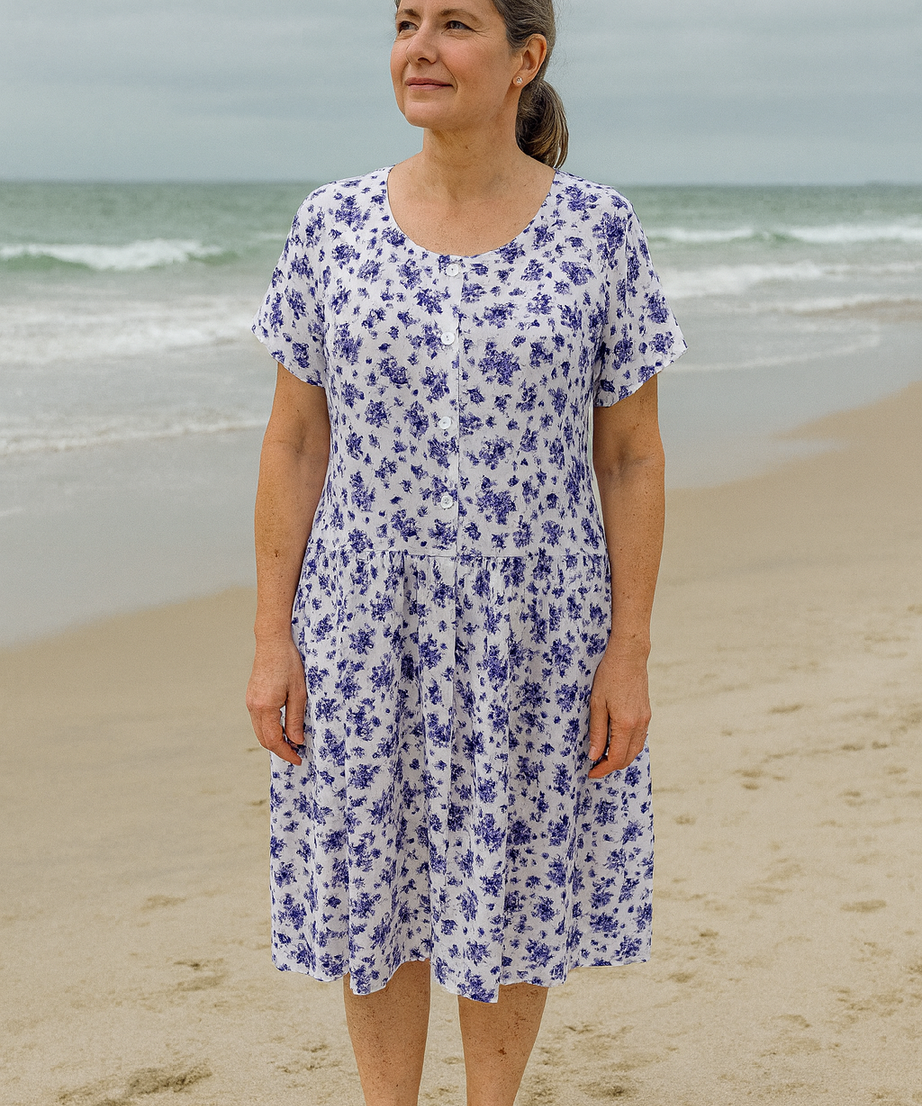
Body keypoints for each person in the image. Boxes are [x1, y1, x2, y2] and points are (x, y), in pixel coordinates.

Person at [246, 1, 686, 1102]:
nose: (420, 47)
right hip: (359, 620)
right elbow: (298, 437)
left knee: (514, 886)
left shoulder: (597, 228)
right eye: (404, 21)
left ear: (524, 58)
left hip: (534, 627)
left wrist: (627, 649)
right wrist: (271, 634)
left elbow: (630, 455)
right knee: (370, 888)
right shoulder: (332, 223)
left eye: (454, 23)